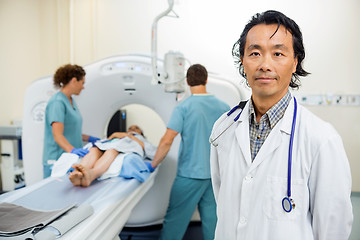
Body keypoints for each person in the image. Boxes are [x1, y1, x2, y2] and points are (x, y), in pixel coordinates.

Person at [209, 10, 353, 239]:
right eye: (255, 53)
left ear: (295, 62)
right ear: (243, 61)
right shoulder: (224, 128)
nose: (265, 64)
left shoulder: (321, 139)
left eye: (278, 53)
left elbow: (332, 228)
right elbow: (223, 199)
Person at [151, 64, 230, 240]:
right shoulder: (224, 107)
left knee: (174, 223)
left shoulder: (184, 107)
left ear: (187, 82)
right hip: (214, 175)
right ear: (206, 80)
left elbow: (167, 140)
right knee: (213, 223)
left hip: (190, 175)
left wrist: (153, 164)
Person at [43, 64, 100, 178]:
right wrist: (72, 150)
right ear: (74, 81)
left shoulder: (71, 101)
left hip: (69, 157)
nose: (83, 87)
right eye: (82, 83)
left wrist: (88, 138)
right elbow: (57, 135)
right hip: (57, 158)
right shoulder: (57, 102)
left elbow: (70, 129)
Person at [69, 125, 157, 187]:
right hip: (111, 143)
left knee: (112, 150)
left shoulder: (141, 139)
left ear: (141, 133)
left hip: (121, 146)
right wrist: (114, 135)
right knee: (94, 149)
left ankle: (92, 174)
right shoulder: (119, 134)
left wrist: (129, 136)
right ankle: (79, 173)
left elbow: (152, 152)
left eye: (136, 128)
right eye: (130, 128)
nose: (132, 129)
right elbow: (106, 141)